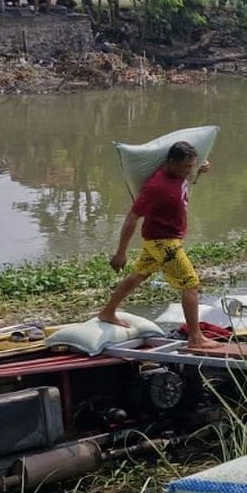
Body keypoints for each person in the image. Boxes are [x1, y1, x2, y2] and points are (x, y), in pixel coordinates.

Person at [95, 142, 216, 349]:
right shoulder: (156, 187)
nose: (189, 170)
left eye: (191, 166)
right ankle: (195, 338)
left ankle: (108, 312)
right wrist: (120, 252)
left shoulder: (180, 175)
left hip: (161, 239)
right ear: (171, 163)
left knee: (139, 275)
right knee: (190, 285)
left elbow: (187, 183)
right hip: (163, 241)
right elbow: (132, 217)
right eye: (186, 167)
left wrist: (199, 171)